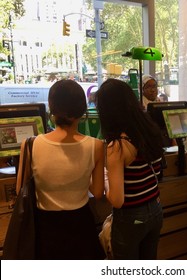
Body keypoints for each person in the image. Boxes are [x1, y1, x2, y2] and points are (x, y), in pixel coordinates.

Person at [16, 79, 105, 260]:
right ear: (82, 109)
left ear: (52, 107)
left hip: (45, 229)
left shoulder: (30, 144)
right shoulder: (95, 146)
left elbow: (20, 191)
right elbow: (97, 192)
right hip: (81, 227)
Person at [95, 78, 164, 260]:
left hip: (131, 218)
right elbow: (156, 173)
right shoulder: (149, 131)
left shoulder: (117, 145)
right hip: (155, 210)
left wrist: (106, 179)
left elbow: (117, 200)